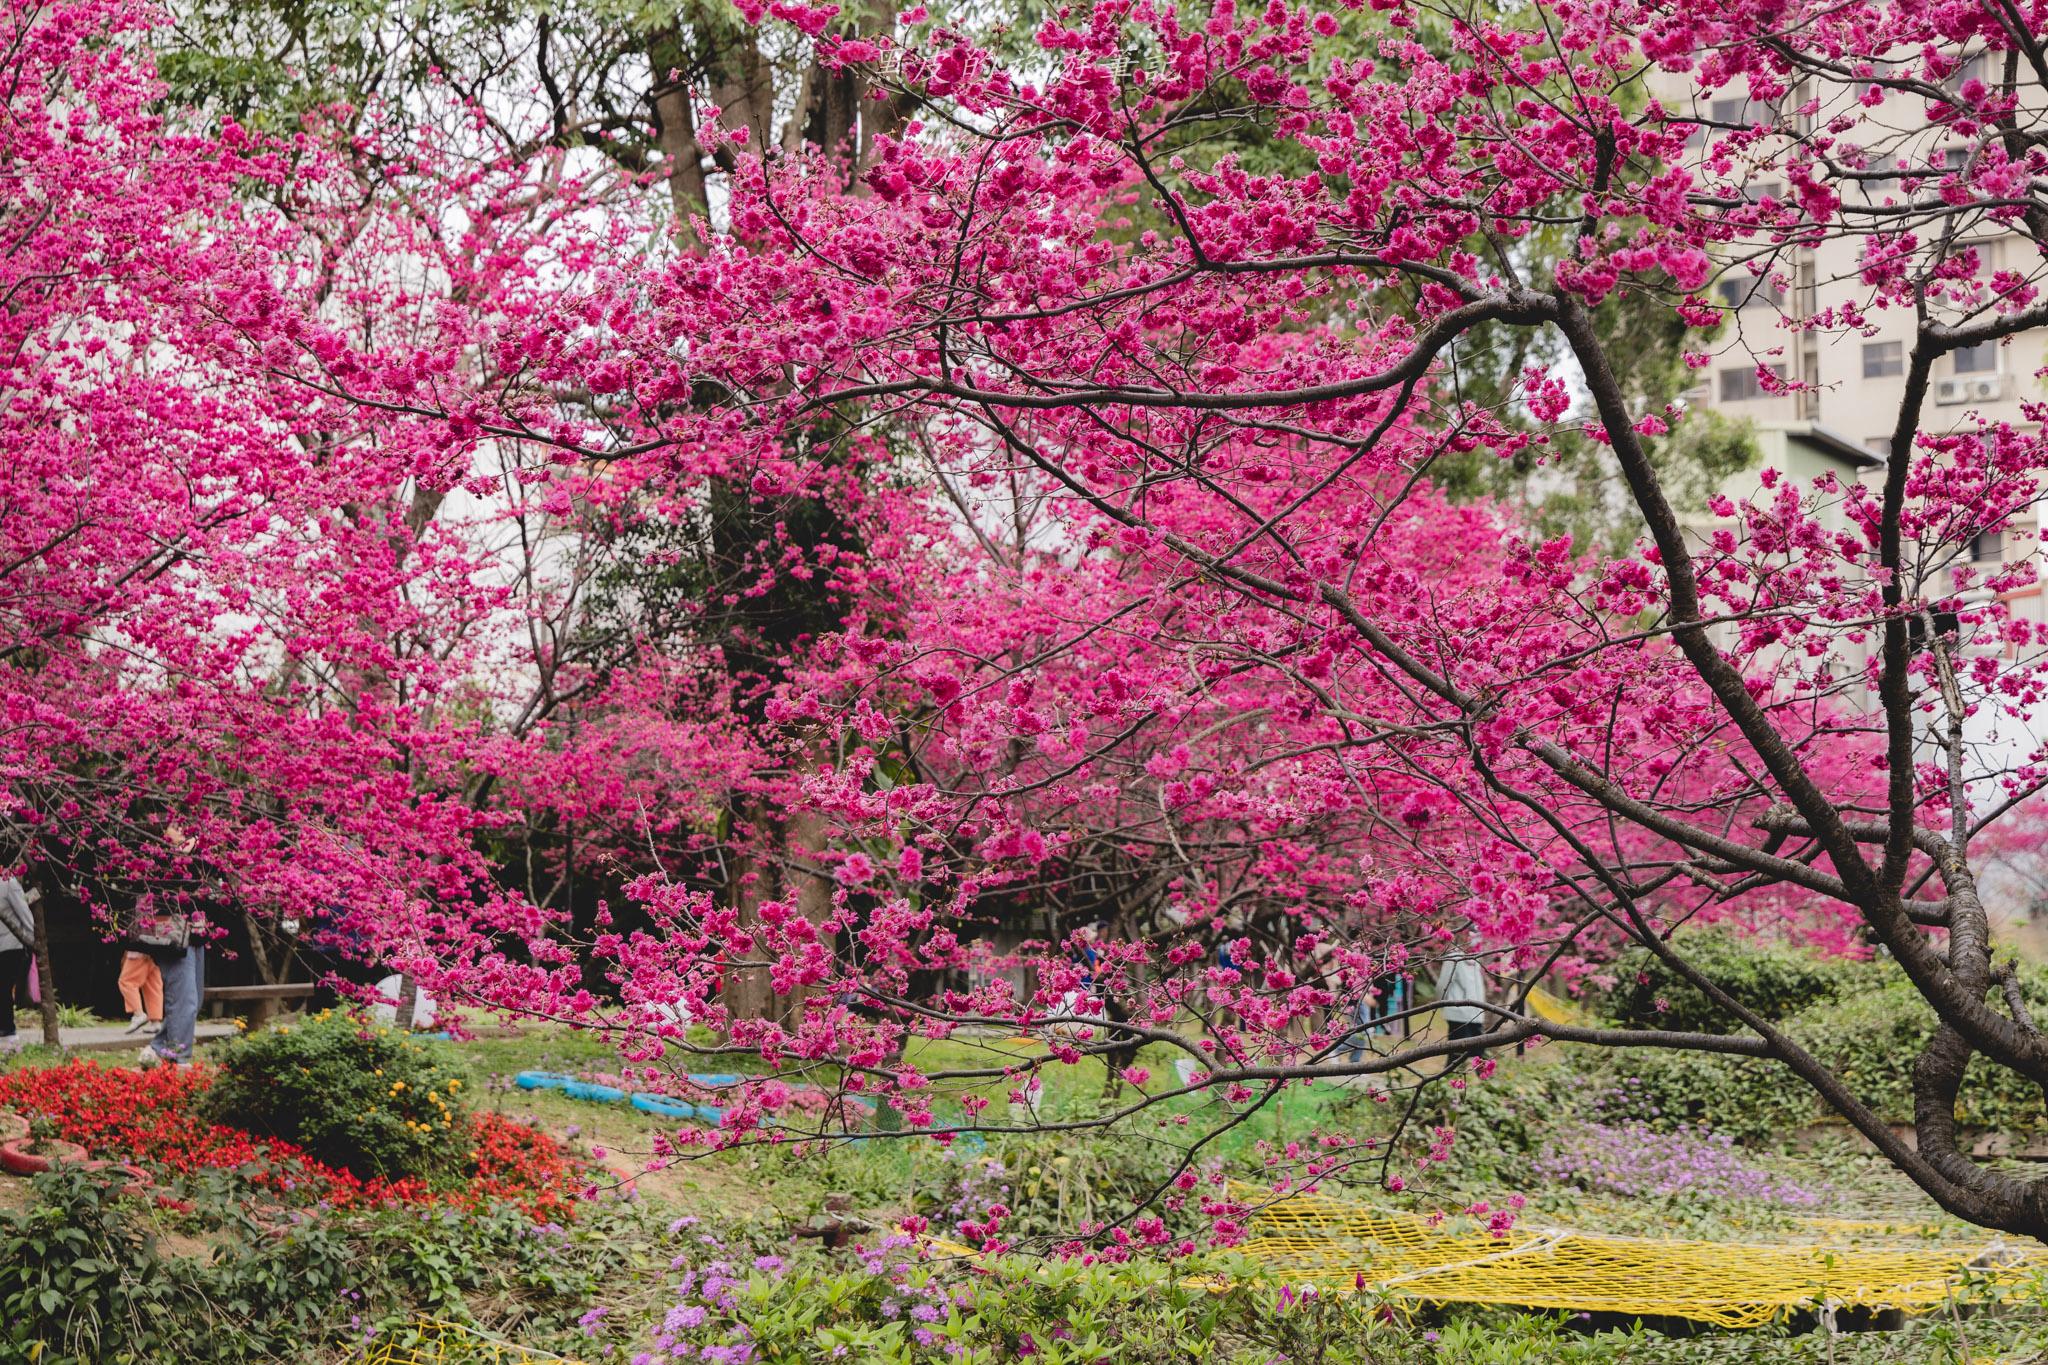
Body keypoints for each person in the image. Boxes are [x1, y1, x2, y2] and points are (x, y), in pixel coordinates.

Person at [1433, 940, 1491, 1049]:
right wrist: (1440, 1002)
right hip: (1458, 1013)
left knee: (1478, 1052)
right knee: (1456, 1050)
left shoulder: (1477, 959)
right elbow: (1443, 984)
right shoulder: (1454, 958)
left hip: (1476, 1013)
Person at [0, 877, 33, 1053]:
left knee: (4, 988)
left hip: (13, 944)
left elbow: (24, 913)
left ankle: (8, 1030)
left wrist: (33, 941)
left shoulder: (8, 883)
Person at [118, 946, 164, 1033]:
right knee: (152, 985)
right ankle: (155, 1021)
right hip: (156, 950)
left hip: (139, 948)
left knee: (126, 982)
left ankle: (138, 1014)